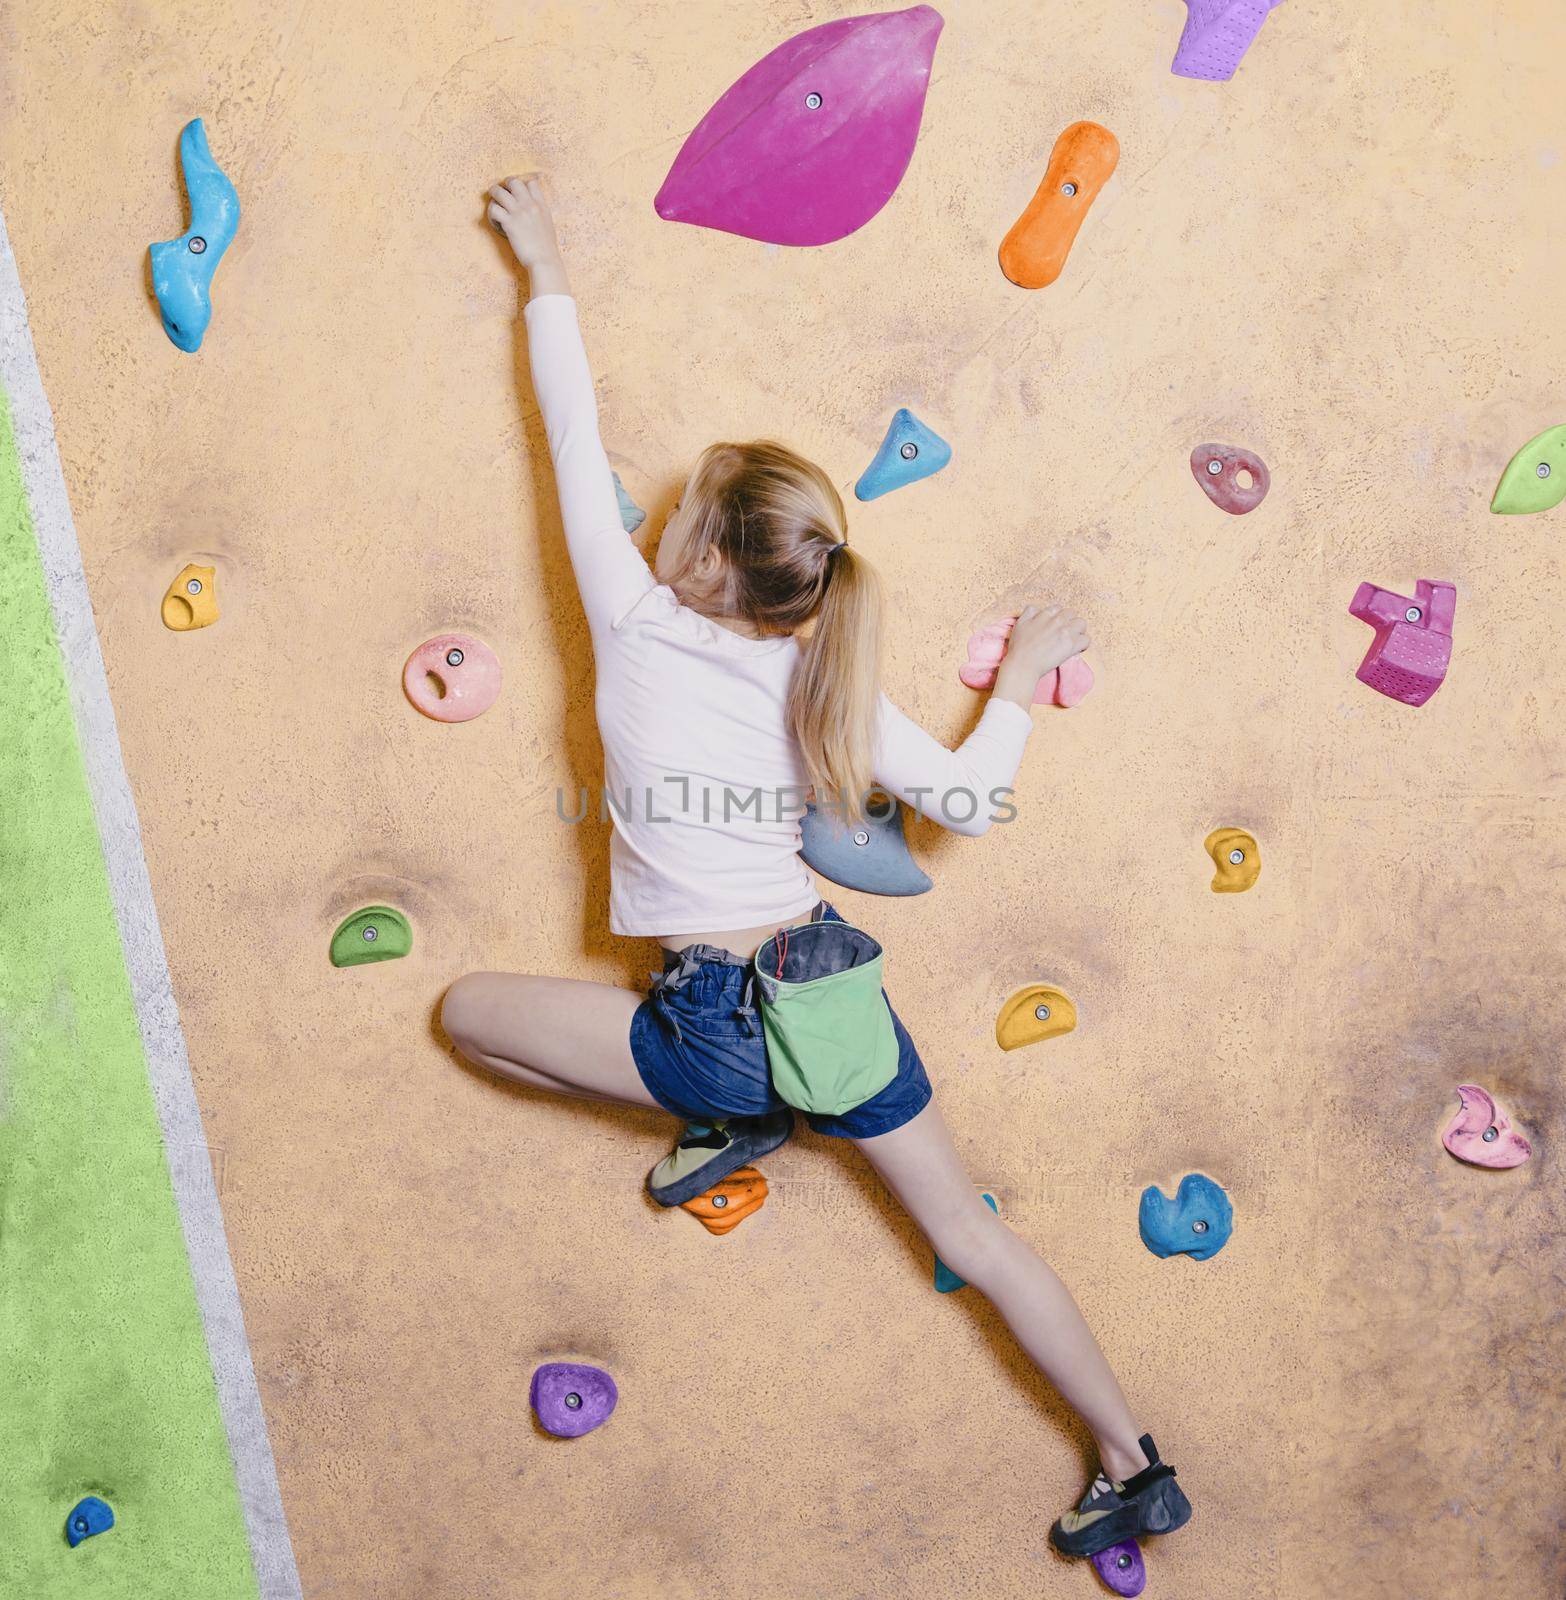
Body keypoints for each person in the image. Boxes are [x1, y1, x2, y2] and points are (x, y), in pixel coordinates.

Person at [441, 173, 1191, 1558]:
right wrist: (1016, 679)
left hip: (717, 1023)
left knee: (467, 1018)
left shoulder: (633, 613)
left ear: (705, 565)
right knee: (970, 1235)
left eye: (679, 513)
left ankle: (730, 1119)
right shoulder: (819, 670)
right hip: (831, 997)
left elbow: (567, 428)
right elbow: (965, 793)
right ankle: (1130, 1458)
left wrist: (543, 264)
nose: (655, 519)